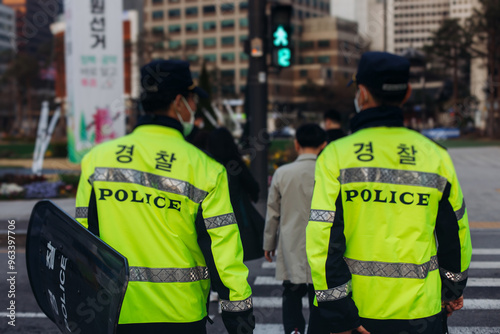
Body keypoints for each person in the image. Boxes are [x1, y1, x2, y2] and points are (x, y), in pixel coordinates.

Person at [75, 59, 254, 334]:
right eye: (193, 100)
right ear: (179, 102)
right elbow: (224, 252)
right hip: (182, 315)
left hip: (114, 312)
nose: (194, 108)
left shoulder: (96, 161)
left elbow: (83, 240)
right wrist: (239, 316)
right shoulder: (206, 169)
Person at [306, 51, 472, 334]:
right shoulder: (436, 156)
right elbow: (455, 232)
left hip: (358, 313)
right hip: (422, 312)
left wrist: (339, 314)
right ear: (406, 93)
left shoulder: (336, 155)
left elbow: (323, 239)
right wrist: (452, 290)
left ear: (362, 93)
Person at [264, 124, 327, 334]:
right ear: (323, 145)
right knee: (319, 296)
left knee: (291, 294)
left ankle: (294, 330)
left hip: (292, 246)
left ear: (296, 144)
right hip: (322, 246)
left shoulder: (282, 173)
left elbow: (273, 212)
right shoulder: (329, 172)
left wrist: (269, 243)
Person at [207, 127, 265, 262]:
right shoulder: (235, 163)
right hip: (237, 219)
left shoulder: (206, 165)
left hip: (212, 219)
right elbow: (252, 186)